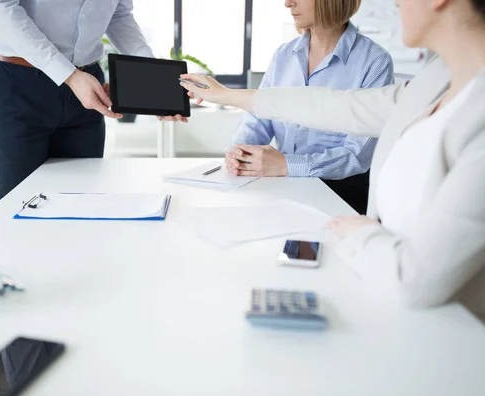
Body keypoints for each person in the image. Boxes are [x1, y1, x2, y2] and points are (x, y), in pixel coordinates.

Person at [179, 0, 485, 321]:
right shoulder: (433, 81)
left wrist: (360, 231)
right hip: (381, 291)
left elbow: (416, 278)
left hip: (444, 328)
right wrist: (227, 96)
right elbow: (335, 106)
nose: (394, 2)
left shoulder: (383, 64)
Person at [0, 0, 187, 202]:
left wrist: (151, 74)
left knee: (83, 200)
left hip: (85, 83)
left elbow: (119, 14)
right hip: (16, 81)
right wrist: (68, 75)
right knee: (20, 205)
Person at [229, 0, 393, 214]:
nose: (288, 3)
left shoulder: (374, 61)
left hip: (341, 198)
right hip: (281, 188)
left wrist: (287, 165)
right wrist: (239, 151)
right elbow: (258, 119)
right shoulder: (283, 55)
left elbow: (358, 155)